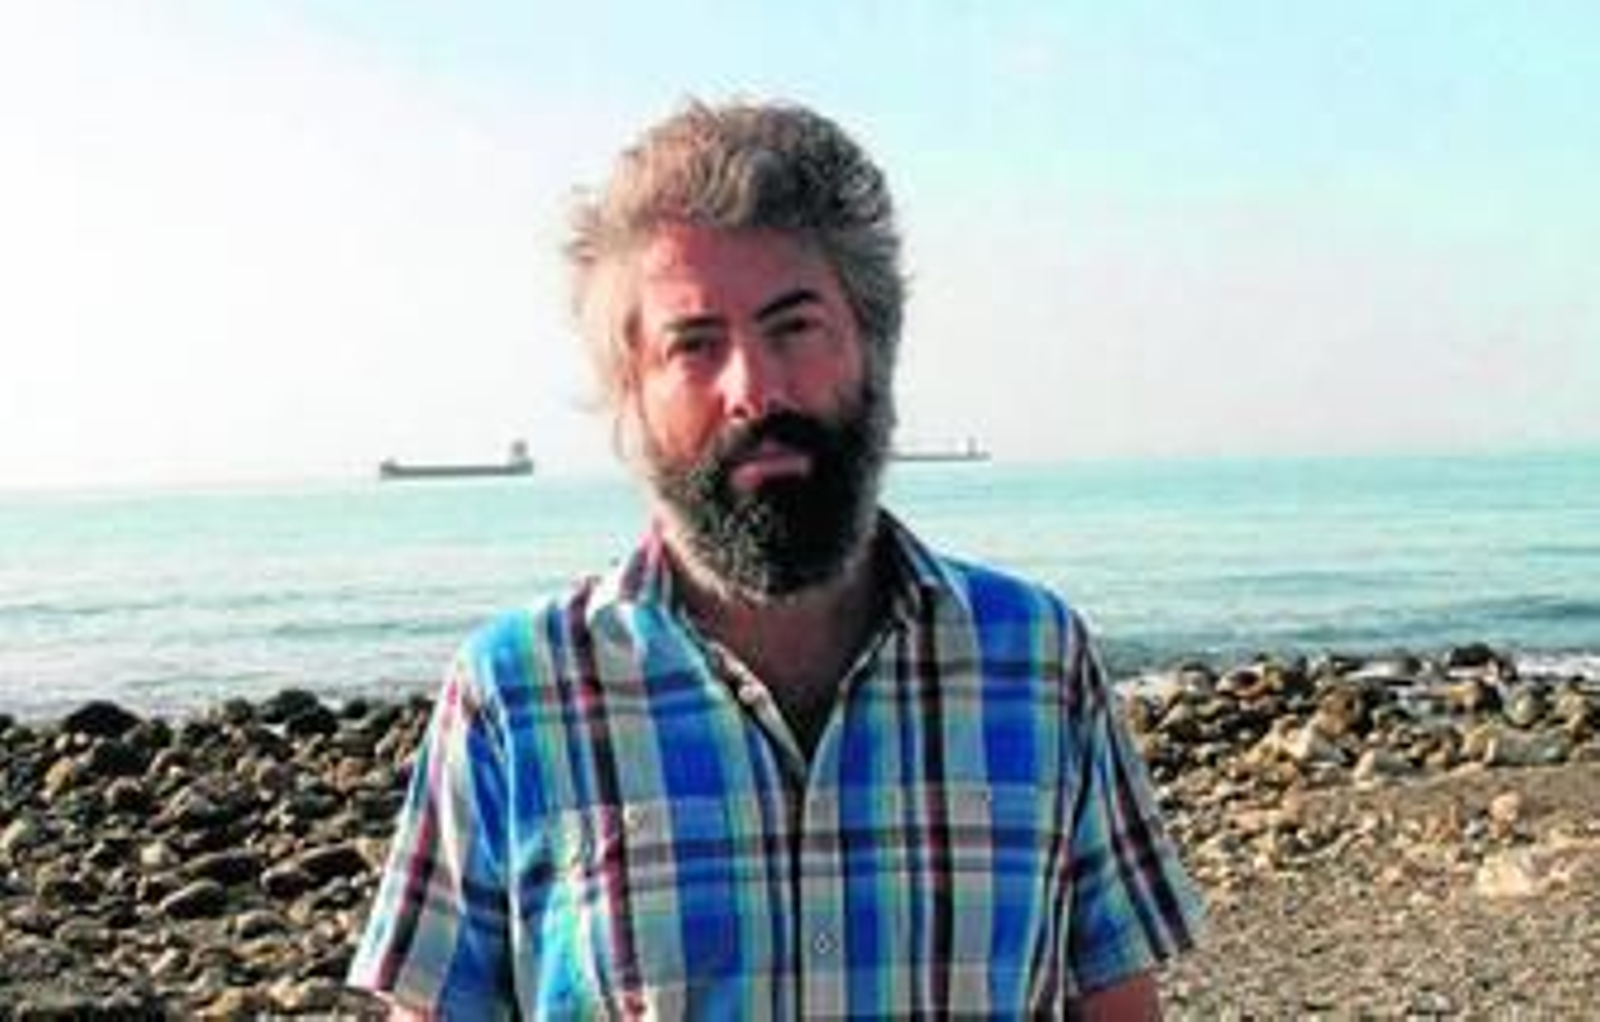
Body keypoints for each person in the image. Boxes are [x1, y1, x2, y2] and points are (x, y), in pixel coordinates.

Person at [349, 98, 1203, 1019]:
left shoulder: (1036, 661)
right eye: (694, 345)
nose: (753, 388)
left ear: (871, 346)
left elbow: (1117, 1002)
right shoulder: (515, 696)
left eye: (793, 327)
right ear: (631, 388)